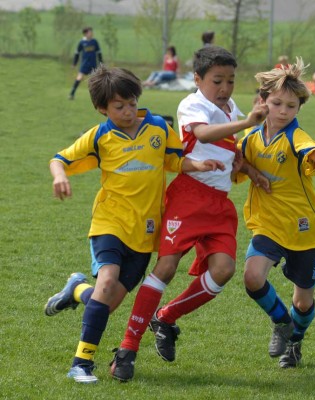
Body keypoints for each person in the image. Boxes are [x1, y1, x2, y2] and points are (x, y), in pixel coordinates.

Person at [44, 64, 224, 384]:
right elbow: (60, 159)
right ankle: (81, 363)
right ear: (102, 109)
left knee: (108, 301)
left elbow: (173, 160)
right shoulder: (100, 136)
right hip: (110, 222)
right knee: (107, 282)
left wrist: (197, 165)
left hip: (145, 232)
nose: (128, 111)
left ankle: (77, 290)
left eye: (131, 103)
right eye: (119, 106)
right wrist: (60, 176)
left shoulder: (157, 128)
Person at [109, 45, 270, 382]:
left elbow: (229, 149)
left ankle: (166, 317)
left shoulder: (230, 108)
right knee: (166, 267)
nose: (224, 88)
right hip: (189, 197)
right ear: (197, 79)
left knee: (223, 270)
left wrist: (251, 171)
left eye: (230, 81)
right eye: (217, 81)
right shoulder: (192, 104)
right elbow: (201, 134)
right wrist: (246, 122)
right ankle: (127, 349)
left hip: (219, 204)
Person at [239, 59, 315, 368]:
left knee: (302, 301)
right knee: (252, 277)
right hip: (268, 225)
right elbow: (236, 159)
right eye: (277, 103)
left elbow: (313, 151)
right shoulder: (250, 136)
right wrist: (247, 169)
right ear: (263, 100)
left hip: (304, 229)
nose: (283, 111)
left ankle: (295, 342)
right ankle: (281, 322)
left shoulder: (295, 136)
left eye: (291, 106)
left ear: (299, 108)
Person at [69, 27, 103, 100]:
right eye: (90, 32)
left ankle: (97, 97)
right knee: (79, 78)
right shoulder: (82, 42)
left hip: (93, 64)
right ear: (85, 33)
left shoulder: (94, 42)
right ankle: (72, 94)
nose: (92, 33)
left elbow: (99, 53)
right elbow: (77, 53)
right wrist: (74, 63)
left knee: (95, 81)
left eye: (92, 32)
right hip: (84, 65)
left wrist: (101, 64)